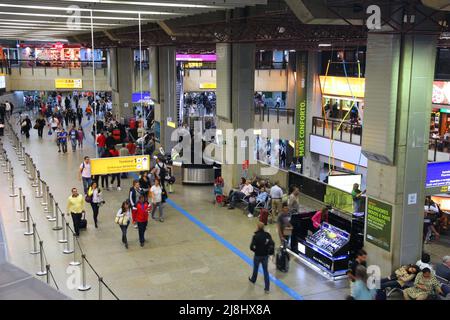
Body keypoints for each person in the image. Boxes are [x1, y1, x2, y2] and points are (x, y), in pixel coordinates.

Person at [249, 221, 274, 294]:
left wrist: (255, 250)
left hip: (257, 255)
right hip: (265, 256)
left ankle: (253, 279)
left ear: (257, 227)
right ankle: (267, 288)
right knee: (265, 271)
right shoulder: (267, 235)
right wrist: (269, 252)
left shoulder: (255, 236)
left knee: (255, 268)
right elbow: (272, 243)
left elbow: (251, 247)